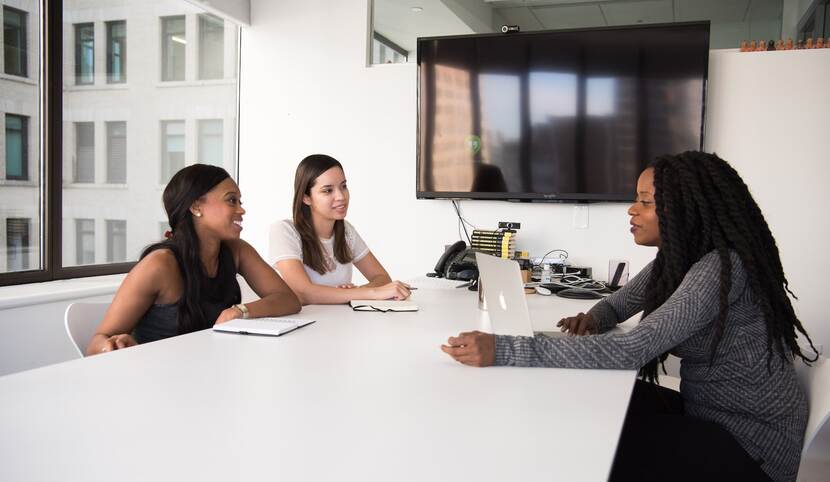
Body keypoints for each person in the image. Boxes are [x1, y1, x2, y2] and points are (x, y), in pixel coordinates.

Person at [441, 151, 818, 481]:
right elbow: (620, 303)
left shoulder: (719, 267)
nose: (631, 209)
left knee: (592, 445)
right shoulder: (677, 261)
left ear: (686, 208)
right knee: (588, 403)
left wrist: (505, 349)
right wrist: (593, 317)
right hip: (709, 414)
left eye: (646, 201)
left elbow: (632, 349)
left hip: (750, 449)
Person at [86, 164, 301, 354]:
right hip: (159, 380)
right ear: (196, 207)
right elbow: (95, 345)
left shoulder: (237, 251)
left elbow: (288, 299)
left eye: (239, 201)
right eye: (231, 200)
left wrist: (240, 311)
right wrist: (112, 346)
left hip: (208, 373)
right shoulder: (159, 265)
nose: (241, 209)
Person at [270, 154, 410, 304]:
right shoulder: (285, 231)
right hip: (305, 324)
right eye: (328, 190)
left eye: (343, 186)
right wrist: (367, 293)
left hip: (340, 322)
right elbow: (304, 292)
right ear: (306, 197)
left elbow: (382, 278)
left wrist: (353, 293)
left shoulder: (346, 231)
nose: (341, 196)